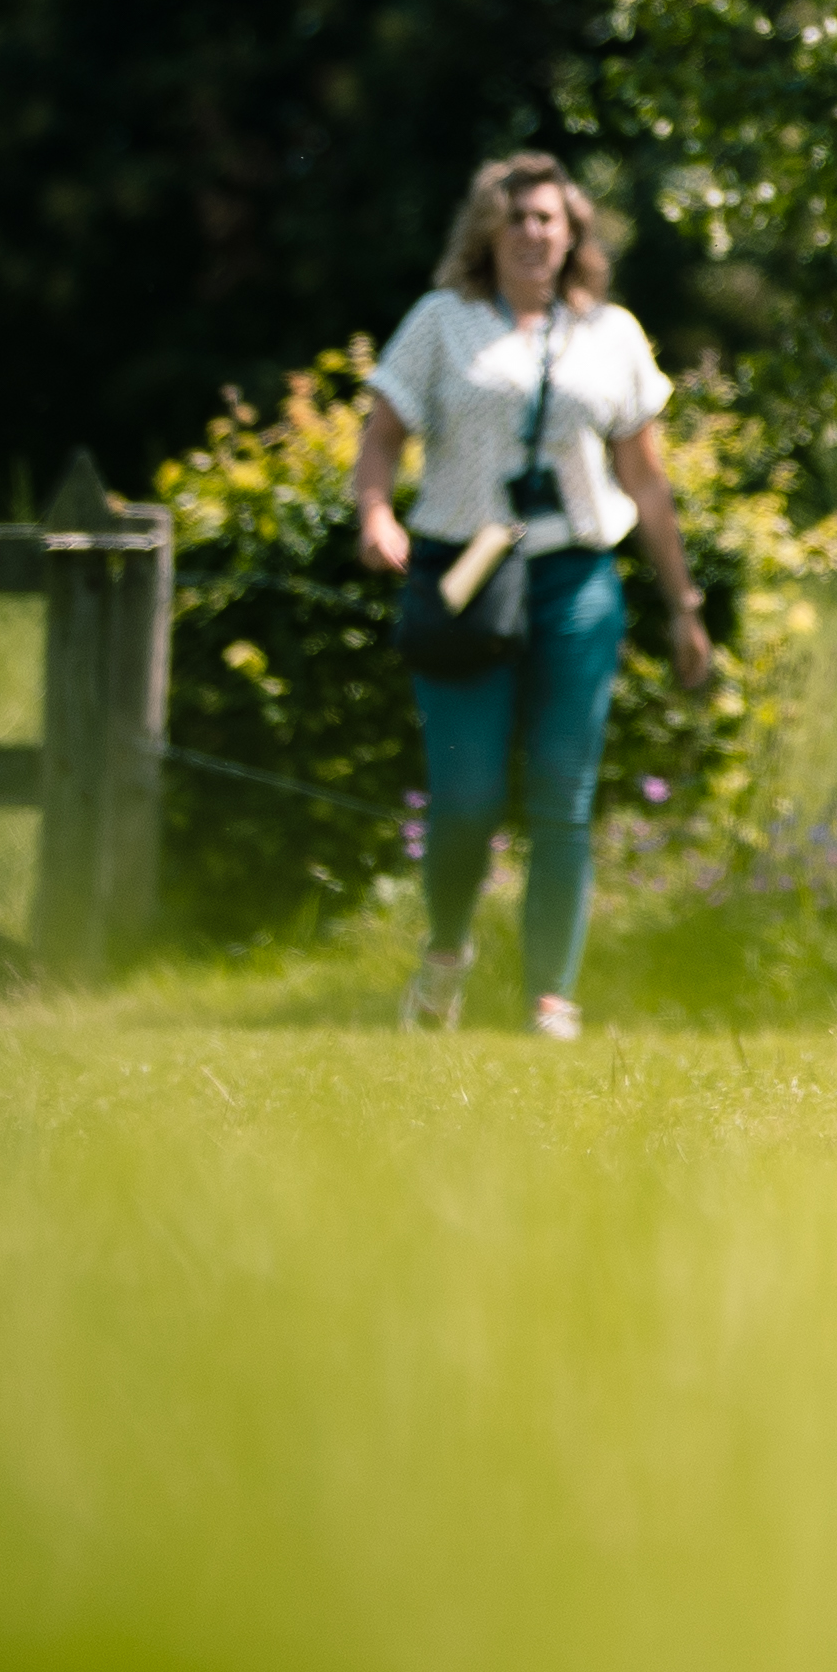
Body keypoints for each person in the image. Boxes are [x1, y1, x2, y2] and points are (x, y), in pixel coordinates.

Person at [349, 150, 722, 1039]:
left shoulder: (612, 335)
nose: (531, 234)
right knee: (468, 797)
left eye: (548, 219)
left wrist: (683, 605)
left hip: (574, 580)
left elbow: (646, 479)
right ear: (488, 230)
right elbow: (382, 434)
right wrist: (376, 516)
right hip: (462, 573)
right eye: (515, 218)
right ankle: (445, 956)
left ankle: (550, 995)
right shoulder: (443, 322)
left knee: (564, 794)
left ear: (573, 234)